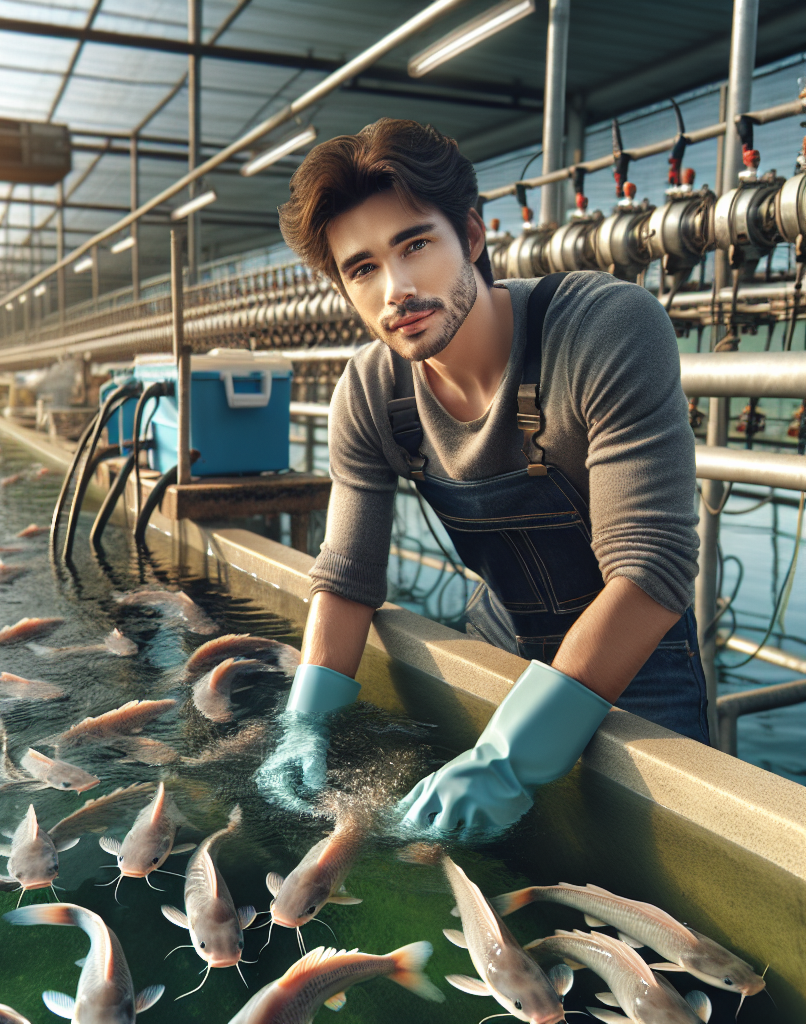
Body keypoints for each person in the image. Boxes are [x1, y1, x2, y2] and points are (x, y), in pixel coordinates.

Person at [255, 118, 708, 835]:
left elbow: (652, 567)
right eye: (363, 268)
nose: (396, 289)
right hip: (496, 644)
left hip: (638, 667)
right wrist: (304, 720)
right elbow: (346, 573)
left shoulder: (604, 329)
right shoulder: (372, 392)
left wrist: (508, 758)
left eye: (415, 245)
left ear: (470, 236)